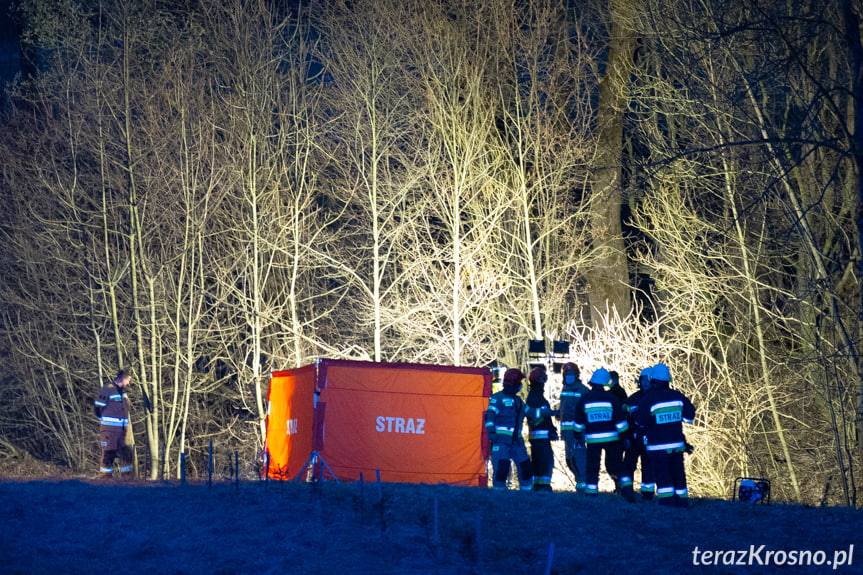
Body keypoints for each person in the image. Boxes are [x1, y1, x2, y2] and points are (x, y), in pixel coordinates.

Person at [636, 362, 695, 507]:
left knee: (663, 475)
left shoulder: (648, 398)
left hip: (657, 446)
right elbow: (689, 416)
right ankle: (682, 501)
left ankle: (667, 502)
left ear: (652, 380)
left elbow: (641, 421)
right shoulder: (677, 396)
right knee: (678, 474)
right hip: (676, 444)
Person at [573, 367, 632, 500]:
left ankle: (591, 493)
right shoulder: (612, 398)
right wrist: (625, 437)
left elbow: (578, 423)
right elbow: (621, 422)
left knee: (592, 466)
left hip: (593, 440)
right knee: (616, 465)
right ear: (605, 383)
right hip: (613, 439)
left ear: (592, 383)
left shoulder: (584, 399)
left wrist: (578, 436)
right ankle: (627, 489)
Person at [484, 368, 533, 490]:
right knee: (502, 468)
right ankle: (500, 496)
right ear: (513, 383)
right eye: (519, 382)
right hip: (501, 441)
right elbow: (490, 416)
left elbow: (530, 412)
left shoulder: (518, 401)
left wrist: (552, 412)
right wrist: (491, 433)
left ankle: (527, 495)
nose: (521, 385)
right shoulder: (497, 398)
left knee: (525, 467)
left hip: (517, 441)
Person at [93, 369, 134, 479]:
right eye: (128, 380)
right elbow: (97, 407)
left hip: (122, 430)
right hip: (109, 429)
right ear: (122, 378)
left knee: (126, 452)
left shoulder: (123, 393)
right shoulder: (107, 389)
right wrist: (105, 421)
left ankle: (127, 476)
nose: (129, 383)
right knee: (108, 452)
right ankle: (106, 476)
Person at [622, 367, 655, 499]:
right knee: (628, 465)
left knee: (648, 467)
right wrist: (626, 437)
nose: (645, 383)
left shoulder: (656, 398)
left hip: (650, 439)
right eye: (643, 380)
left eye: (648, 380)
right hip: (633, 438)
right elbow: (624, 418)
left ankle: (647, 493)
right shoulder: (633, 398)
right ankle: (626, 490)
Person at [525, 367, 559, 491]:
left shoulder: (536, 396)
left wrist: (551, 429)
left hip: (540, 438)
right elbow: (536, 418)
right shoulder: (535, 397)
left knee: (540, 462)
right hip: (540, 438)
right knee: (545, 462)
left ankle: (539, 486)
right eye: (543, 380)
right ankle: (543, 486)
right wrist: (551, 414)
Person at [558, 362, 590, 492]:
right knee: (569, 459)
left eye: (570, 374)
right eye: (566, 374)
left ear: (576, 375)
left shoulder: (583, 390)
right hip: (567, 432)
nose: (568, 376)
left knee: (579, 457)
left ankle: (583, 484)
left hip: (578, 432)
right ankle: (580, 481)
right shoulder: (565, 389)